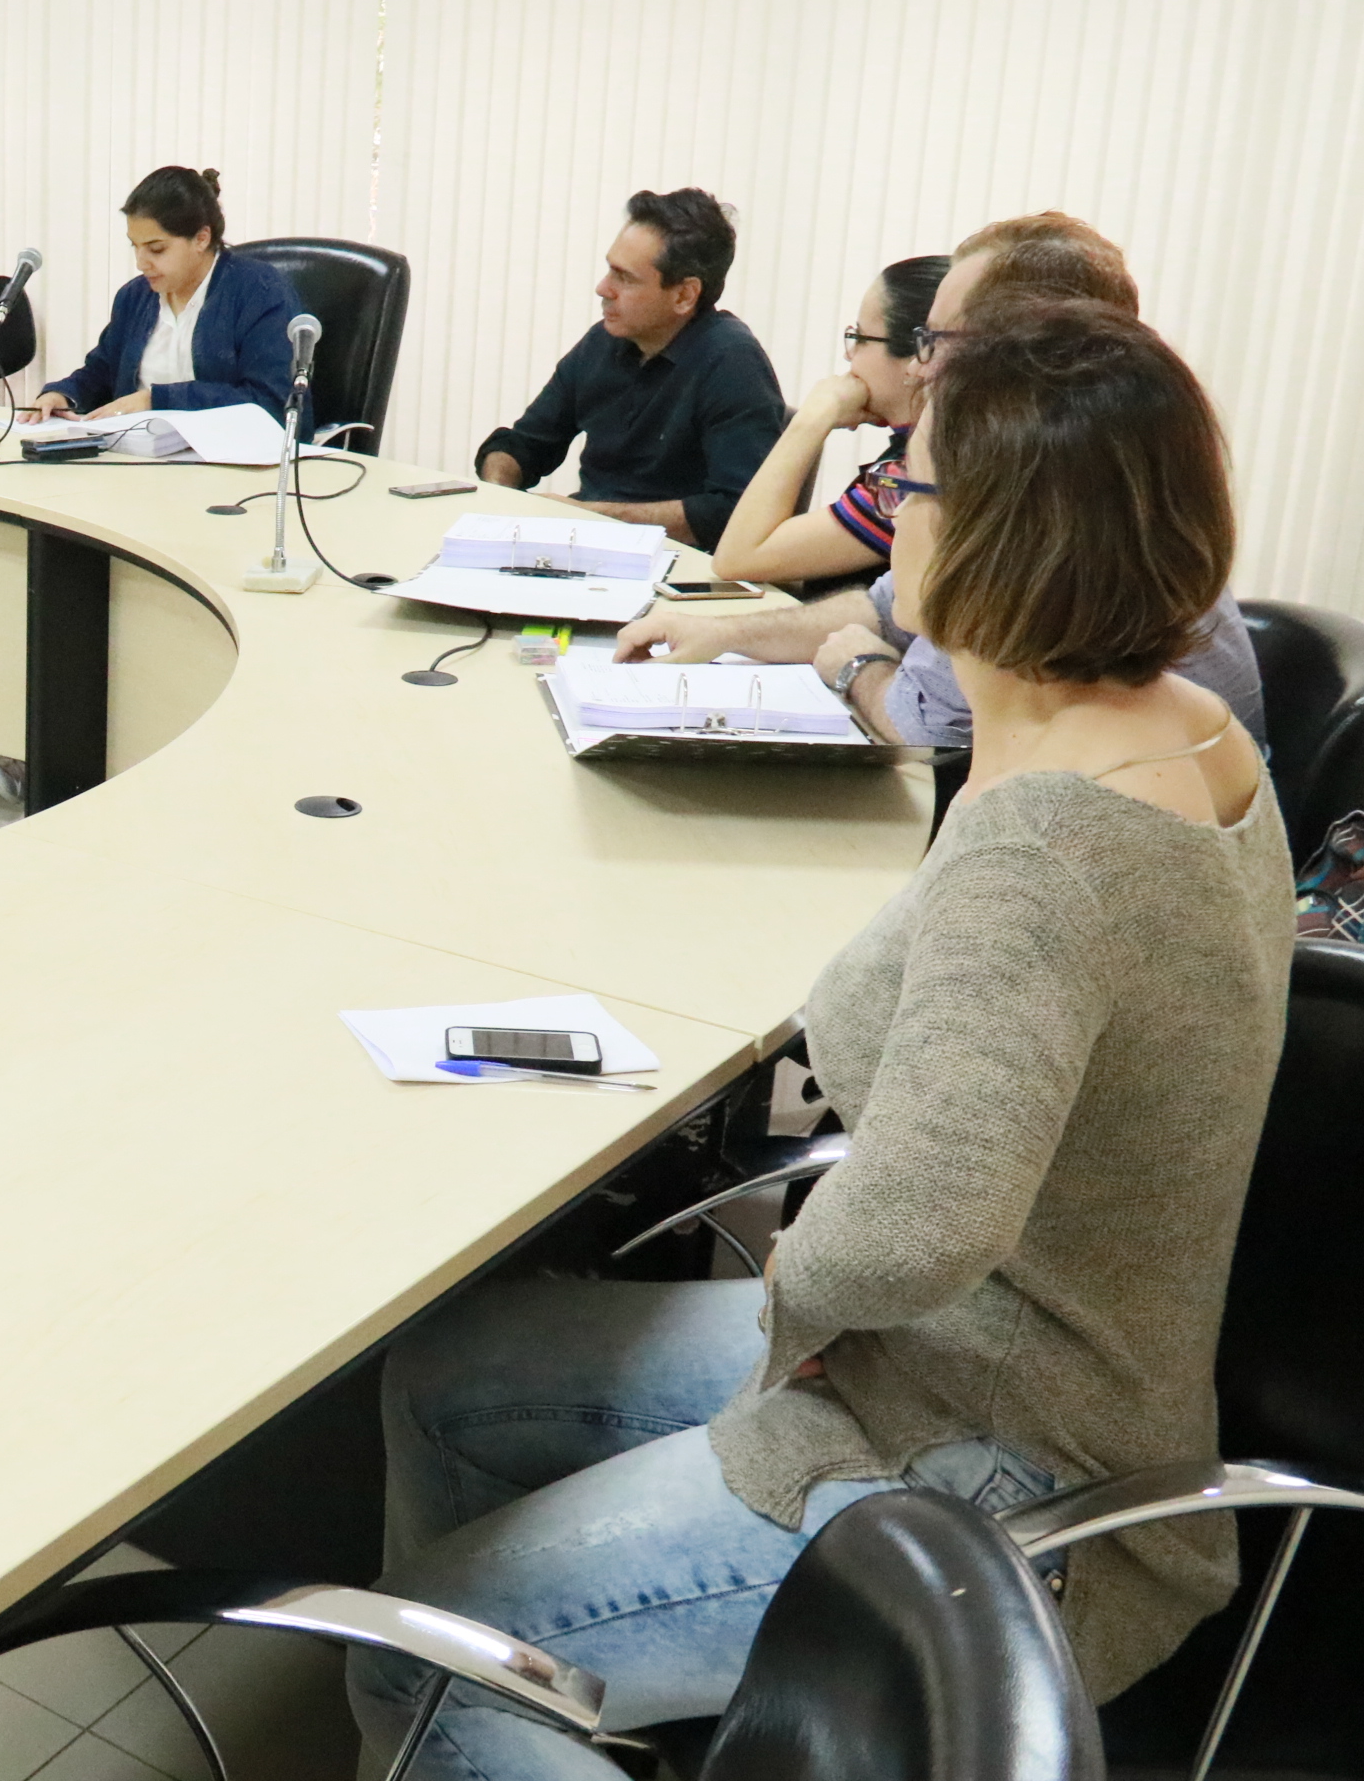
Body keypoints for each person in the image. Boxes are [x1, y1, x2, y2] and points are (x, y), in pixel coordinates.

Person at [351, 296, 1293, 1781]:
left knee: (432, 1657)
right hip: (1044, 1375)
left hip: (992, 1462)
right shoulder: (1189, 727)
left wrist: (798, 1306)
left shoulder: (1046, 848)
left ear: (989, 535)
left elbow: (915, 1231)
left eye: (909, 482)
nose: (888, 510)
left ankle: (494, 1712)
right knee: (448, 1374)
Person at [617, 212, 1266, 752]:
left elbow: (926, 726)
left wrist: (856, 666)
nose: (920, 367)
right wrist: (729, 636)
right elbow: (884, 609)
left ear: (1022, 346)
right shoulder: (1078, 457)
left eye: (935, 338)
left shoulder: (1042, 493)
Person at [474, 190, 788, 548]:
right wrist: (500, 497)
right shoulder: (603, 342)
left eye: (625, 278)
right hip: (588, 547)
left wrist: (591, 517)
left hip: (677, 560)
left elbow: (733, 513)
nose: (603, 288)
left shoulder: (733, 363)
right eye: (610, 269)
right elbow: (523, 445)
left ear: (684, 295)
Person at [707, 255, 949, 587]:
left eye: (861, 338)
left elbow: (737, 558)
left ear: (919, 355)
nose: (849, 355)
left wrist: (813, 419)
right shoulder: (931, 452)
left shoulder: (915, 479)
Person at [28, 166, 297, 427]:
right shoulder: (135, 296)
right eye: (135, 246)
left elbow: (271, 403)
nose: (141, 263)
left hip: (230, 453)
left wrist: (156, 399)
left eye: (156, 249)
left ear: (201, 239)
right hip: (136, 449)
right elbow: (103, 371)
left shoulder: (260, 292)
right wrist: (64, 394)